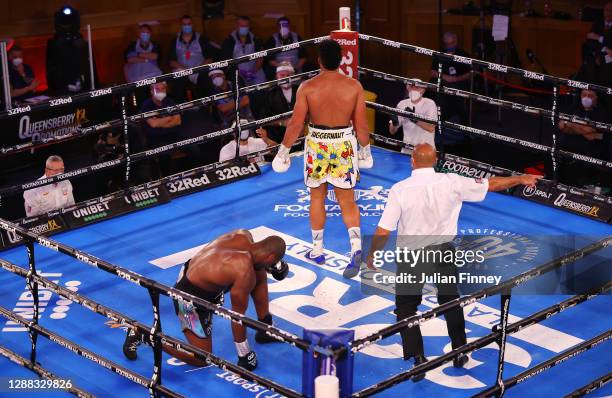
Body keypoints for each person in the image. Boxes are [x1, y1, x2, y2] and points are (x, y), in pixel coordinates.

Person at [364, 143, 541, 381]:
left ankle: (418, 359)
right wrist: (520, 178)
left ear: (412, 161)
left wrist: (373, 253)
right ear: (435, 160)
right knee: (450, 300)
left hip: (412, 255)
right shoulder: (452, 181)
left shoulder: (400, 189)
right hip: (443, 252)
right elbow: (492, 184)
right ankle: (460, 350)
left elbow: (384, 229)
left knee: (406, 308)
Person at [271, 39, 372, 277]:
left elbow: (296, 123)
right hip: (343, 143)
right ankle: (356, 248)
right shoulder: (354, 86)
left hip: (317, 143)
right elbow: (361, 124)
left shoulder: (307, 87)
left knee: (317, 196)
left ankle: (317, 249)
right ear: (340, 61)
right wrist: (365, 150)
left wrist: (283, 151)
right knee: (347, 200)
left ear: (319, 60)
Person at [123, 229, 288, 370]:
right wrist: (244, 354)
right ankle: (143, 334)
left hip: (194, 273)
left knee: (258, 271)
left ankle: (265, 327)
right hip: (187, 299)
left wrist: (272, 266)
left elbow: (254, 261)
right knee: (201, 358)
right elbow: (236, 316)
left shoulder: (243, 235)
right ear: (270, 256)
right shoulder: (243, 270)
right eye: (273, 261)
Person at [558, 88, 611, 190]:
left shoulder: (602, 112)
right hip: (568, 142)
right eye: (584, 95)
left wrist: (570, 124)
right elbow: (561, 125)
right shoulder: (575, 106)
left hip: (590, 147)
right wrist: (580, 128)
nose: (586, 98)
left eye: (590, 96)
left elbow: (589, 132)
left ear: (596, 98)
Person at [430, 32, 471, 156]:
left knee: (460, 105)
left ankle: (465, 133)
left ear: (456, 42)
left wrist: (456, 79)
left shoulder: (463, 55)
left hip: (459, 84)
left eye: (452, 43)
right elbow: (432, 72)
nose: (450, 45)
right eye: (447, 44)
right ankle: (437, 127)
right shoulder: (439, 54)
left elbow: (471, 73)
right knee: (438, 99)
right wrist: (445, 77)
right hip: (443, 84)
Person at [168, 15, 217, 100]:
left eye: (189, 24)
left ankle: (206, 106)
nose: (187, 26)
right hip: (182, 70)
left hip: (199, 69)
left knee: (207, 80)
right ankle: (181, 110)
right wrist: (185, 69)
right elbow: (171, 61)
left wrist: (197, 69)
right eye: (184, 24)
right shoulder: (174, 41)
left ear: (192, 25)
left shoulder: (201, 38)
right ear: (181, 25)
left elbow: (209, 58)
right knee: (176, 84)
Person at [140, 81, 182, 177]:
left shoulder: (170, 101)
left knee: (193, 147)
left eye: (163, 89)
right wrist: (169, 118)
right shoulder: (147, 104)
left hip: (173, 135)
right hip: (156, 138)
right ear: (151, 91)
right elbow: (153, 124)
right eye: (157, 89)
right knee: (164, 154)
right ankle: (165, 178)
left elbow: (178, 121)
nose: (160, 91)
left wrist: (160, 120)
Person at [388, 79, 437, 152]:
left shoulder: (429, 103)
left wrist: (414, 119)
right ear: (407, 88)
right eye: (411, 86)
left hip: (426, 151)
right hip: (407, 150)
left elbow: (431, 128)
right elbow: (392, 132)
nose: (413, 89)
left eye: (417, 87)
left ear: (423, 90)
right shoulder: (402, 104)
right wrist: (395, 123)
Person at [255, 62, 297, 143]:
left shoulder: (301, 90)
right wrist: (281, 122)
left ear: (293, 76)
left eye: (288, 75)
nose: (285, 78)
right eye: (282, 75)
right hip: (280, 136)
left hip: (301, 132)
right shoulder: (270, 94)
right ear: (277, 76)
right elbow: (264, 119)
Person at [222, 16, 266, 86]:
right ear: (236, 26)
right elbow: (227, 61)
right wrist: (240, 72)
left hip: (255, 69)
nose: (244, 28)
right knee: (238, 86)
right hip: (237, 71)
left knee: (262, 84)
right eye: (242, 26)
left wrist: (254, 71)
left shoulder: (255, 39)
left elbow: (260, 57)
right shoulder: (229, 41)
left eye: (246, 26)